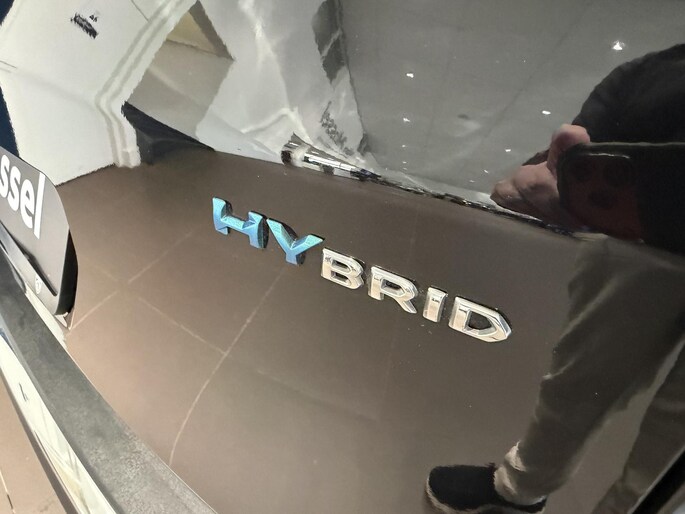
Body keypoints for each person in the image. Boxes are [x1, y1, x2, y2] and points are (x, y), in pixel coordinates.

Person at [425, 44, 685, 514]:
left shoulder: (654, 70)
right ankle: (517, 490)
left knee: (673, 440)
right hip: (635, 243)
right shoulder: (657, 69)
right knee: (577, 384)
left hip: (634, 243)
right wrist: (550, 176)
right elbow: (568, 153)